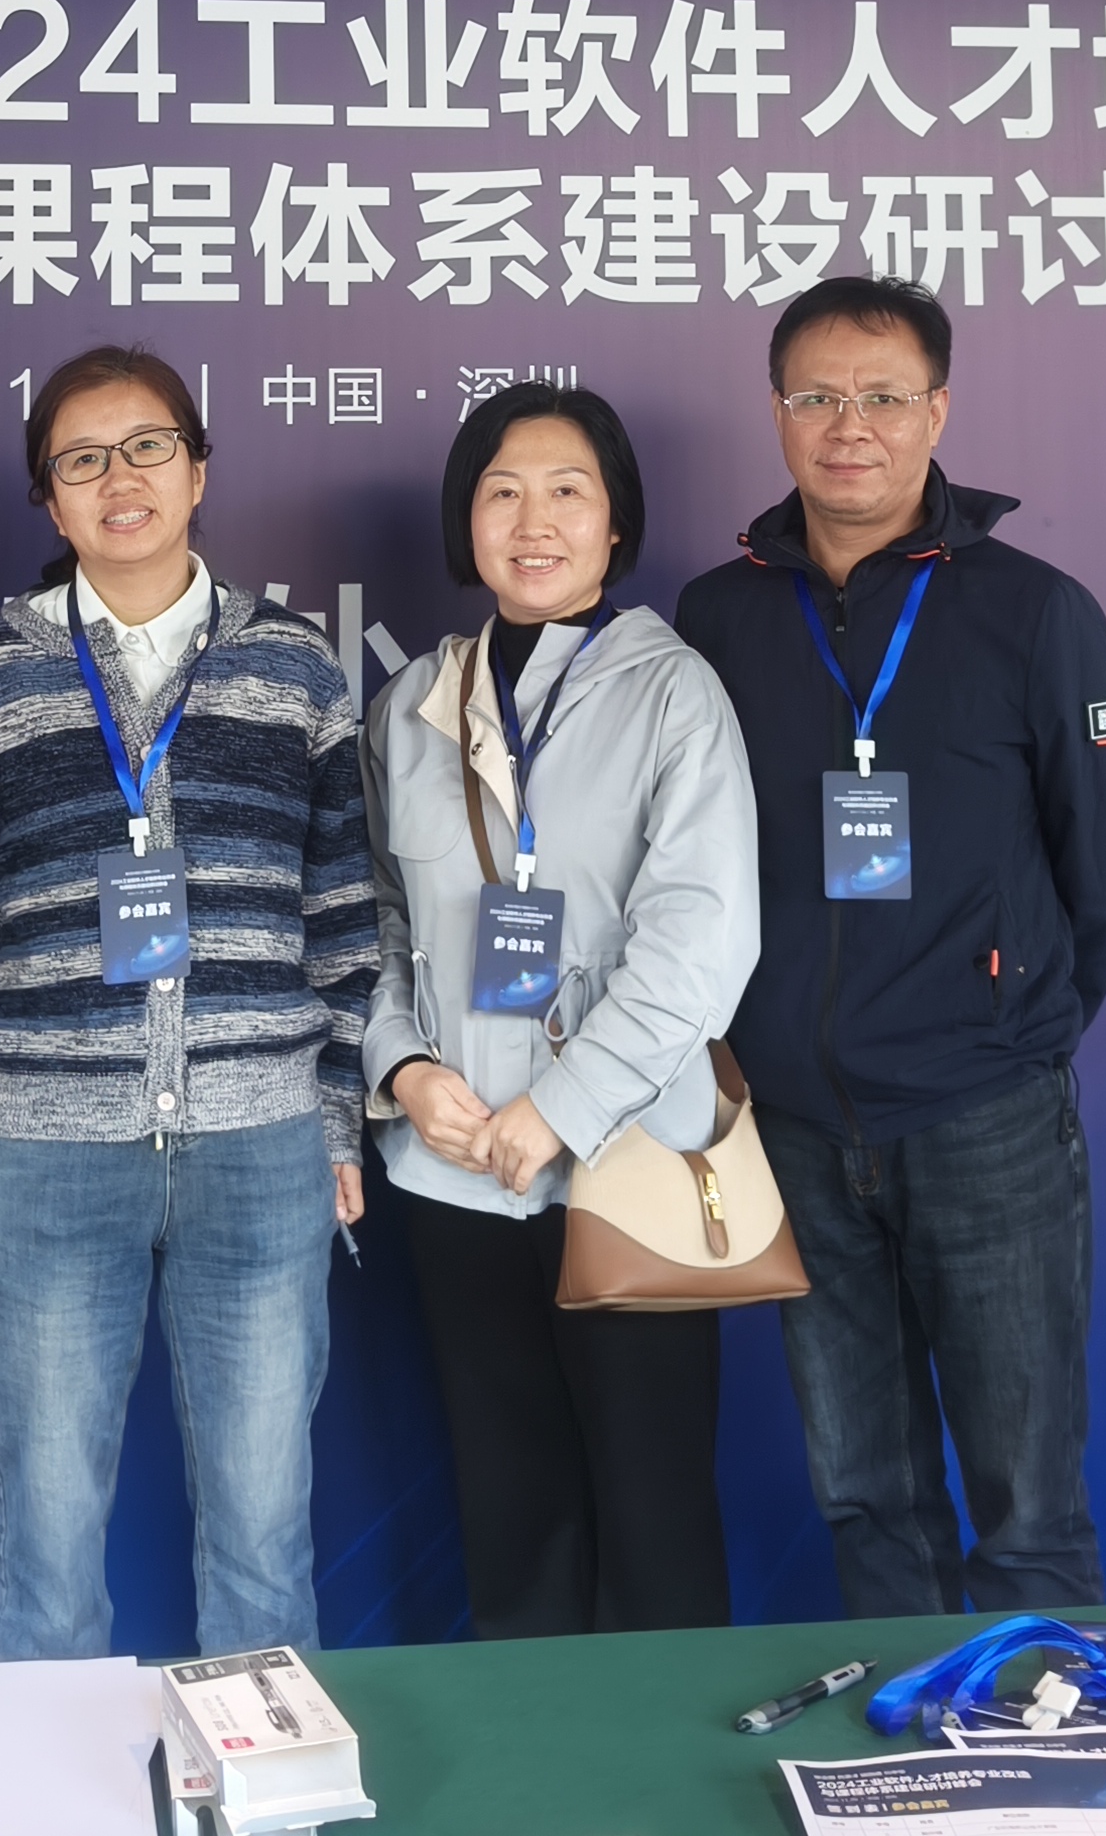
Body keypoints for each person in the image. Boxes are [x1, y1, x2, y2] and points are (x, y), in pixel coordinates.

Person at [0, 345, 376, 1662]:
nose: (121, 480)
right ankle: (53, 1772)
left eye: (149, 447)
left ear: (199, 468)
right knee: (46, 1533)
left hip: (261, 1147)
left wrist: (334, 1115)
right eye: (83, 459)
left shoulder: (293, 668)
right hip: (50, 1163)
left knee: (264, 1530)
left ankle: (259, 1767)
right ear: (48, 497)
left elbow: (344, 921)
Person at [675, 275, 1106, 1624]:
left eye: (883, 397)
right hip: (797, 1125)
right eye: (818, 397)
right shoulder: (718, 616)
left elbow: (1101, 861)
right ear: (777, 413)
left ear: (936, 412)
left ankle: (1047, 1732)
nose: (850, 427)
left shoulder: (1034, 611)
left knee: (1027, 1496)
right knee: (865, 1492)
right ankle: (917, 1730)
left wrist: (1011, 1025)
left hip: (981, 1112)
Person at [361, 381, 757, 1639]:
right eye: (502, 492)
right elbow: (372, 918)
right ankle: (530, 1751)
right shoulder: (413, 703)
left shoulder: (673, 693)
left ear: (615, 522)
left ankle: (663, 1756)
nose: (533, 522)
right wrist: (403, 1070)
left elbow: (700, 942)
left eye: (567, 492)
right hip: (456, 1167)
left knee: (653, 1515)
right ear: (464, 520)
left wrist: (562, 1109)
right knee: (510, 1510)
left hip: (624, 1163)